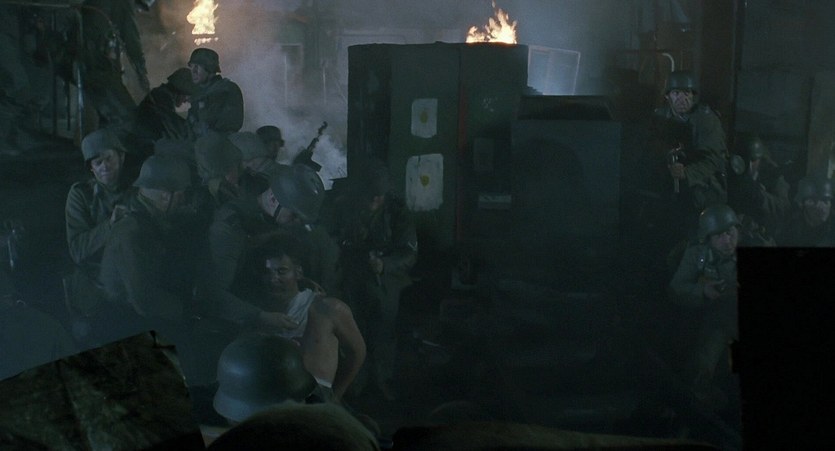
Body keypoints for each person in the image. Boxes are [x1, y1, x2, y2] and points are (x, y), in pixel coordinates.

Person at [329, 158, 418, 401]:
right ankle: (354, 383)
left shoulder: (397, 212)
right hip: (351, 276)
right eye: (369, 196)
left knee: (383, 332)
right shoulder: (344, 207)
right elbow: (331, 238)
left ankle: (381, 381)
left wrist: (385, 264)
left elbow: (409, 252)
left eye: (379, 196)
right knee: (352, 329)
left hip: (385, 281)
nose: (374, 201)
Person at [96, 154, 197, 346]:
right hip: (126, 328)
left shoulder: (149, 218)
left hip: (142, 318)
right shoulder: (132, 232)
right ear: (165, 195)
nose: (183, 200)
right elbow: (144, 300)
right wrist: (186, 310)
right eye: (181, 194)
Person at [255, 239, 366, 404]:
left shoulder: (327, 309)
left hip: (313, 402)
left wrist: (335, 396)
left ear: (298, 273)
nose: (273, 279)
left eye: (282, 271)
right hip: (271, 402)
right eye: (267, 272)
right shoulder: (258, 315)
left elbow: (357, 353)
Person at [645, 70, 729, 245]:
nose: (682, 99)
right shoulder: (659, 117)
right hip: (667, 184)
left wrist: (687, 173)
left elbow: (713, 160)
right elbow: (649, 148)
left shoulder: (706, 120)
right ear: (668, 96)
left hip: (703, 185)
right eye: (676, 93)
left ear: (693, 96)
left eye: (686, 93)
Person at [668, 204, 739, 408]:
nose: (727, 241)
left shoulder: (756, 242)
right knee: (706, 353)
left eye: (730, 233)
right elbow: (676, 289)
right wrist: (703, 291)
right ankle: (701, 391)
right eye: (719, 236)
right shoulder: (697, 254)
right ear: (708, 239)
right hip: (716, 316)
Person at [64, 128, 136, 322]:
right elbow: (77, 250)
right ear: (91, 168)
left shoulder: (137, 188)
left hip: (132, 277)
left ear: (121, 157)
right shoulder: (81, 195)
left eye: (109, 158)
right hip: (95, 283)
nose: (104, 166)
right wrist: (110, 225)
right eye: (97, 162)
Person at [78, 0, 151, 132]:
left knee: (101, 114)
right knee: (128, 116)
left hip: (83, 59)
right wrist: (141, 72)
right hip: (98, 64)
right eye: (138, 8)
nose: (138, 12)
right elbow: (131, 39)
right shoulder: (124, 2)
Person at [727, 134, 790, 238]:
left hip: (761, 232)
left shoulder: (772, 175)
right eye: (744, 159)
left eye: (753, 160)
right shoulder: (730, 172)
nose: (749, 165)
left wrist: (760, 196)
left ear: (760, 159)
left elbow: (782, 209)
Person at [187, 48, 244, 137]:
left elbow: (231, 124)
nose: (193, 71)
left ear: (209, 68)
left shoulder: (227, 89)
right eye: (191, 66)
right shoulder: (197, 93)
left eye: (197, 66)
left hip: (221, 142)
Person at [132, 67, 196, 145]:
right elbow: (172, 124)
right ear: (180, 91)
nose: (185, 101)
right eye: (187, 96)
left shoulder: (160, 95)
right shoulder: (162, 99)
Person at [776, 176, 835, 246]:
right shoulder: (789, 227)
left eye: (825, 201)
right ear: (801, 204)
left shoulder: (832, 228)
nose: (820, 206)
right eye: (813, 201)